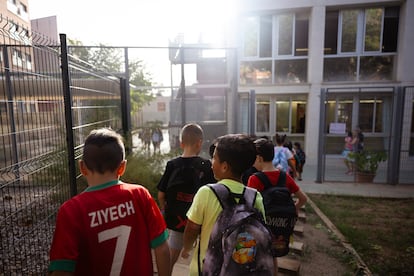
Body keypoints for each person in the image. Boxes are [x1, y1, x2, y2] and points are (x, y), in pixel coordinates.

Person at [48, 128, 171, 276]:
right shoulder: (140, 195)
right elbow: (162, 249)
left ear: (82, 168)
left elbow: (62, 269)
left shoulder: (71, 210)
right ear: (122, 167)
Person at [181, 134, 266, 275]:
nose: (211, 161)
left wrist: (187, 247)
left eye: (214, 158)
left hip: (206, 269)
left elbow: (191, 228)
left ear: (225, 166)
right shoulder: (255, 197)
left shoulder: (206, 193)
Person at [157, 123, 215, 272]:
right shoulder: (205, 165)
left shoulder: (172, 164)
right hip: (200, 219)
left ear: (181, 143)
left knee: (172, 252)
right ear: (199, 143)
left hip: (177, 219)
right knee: (204, 252)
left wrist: (165, 209)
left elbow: (161, 193)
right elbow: (211, 192)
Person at [247, 138, 307, 275]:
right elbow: (303, 199)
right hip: (279, 228)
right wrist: (294, 210)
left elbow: (248, 204)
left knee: (256, 260)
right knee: (273, 256)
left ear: (259, 158)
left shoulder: (255, 179)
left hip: (260, 228)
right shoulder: (284, 176)